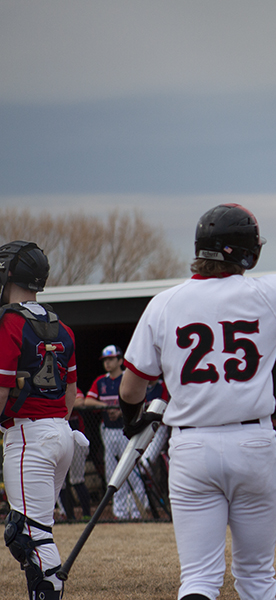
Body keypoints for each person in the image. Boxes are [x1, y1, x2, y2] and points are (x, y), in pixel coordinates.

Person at [117, 181, 276, 600]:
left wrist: (135, 419)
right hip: (252, 441)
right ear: (247, 250)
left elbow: (131, 387)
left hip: (192, 446)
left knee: (199, 579)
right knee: (256, 576)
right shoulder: (265, 293)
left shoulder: (163, 303)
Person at [0, 241, 80, 600]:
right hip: (61, 434)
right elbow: (69, 396)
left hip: (29, 435)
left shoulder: (10, 322)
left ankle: (48, 592)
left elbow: (1, 391)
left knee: (28, 534)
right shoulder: (63, 327)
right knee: (36, 529)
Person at [83, 344, 149, 520]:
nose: (108, 363)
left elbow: (144, 403)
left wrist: (121, 410)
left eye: (111, 359)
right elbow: (88, 402)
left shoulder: (127, 378)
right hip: (109, 431)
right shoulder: (101, 381)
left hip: (128, 431)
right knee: (113, 474)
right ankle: (119, 513)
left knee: (133, 471)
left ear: (120, 360)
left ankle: (138, 511)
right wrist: (106, 406)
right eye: (105, 360)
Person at [59, 387, 93, 521]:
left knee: (77, 479)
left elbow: (80, 402)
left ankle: (86, 515)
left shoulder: (70, 387)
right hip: (57, 438)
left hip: (76, 439)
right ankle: (69, 516)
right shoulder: (50, 388)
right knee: (60, 482)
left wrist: (60, 404)